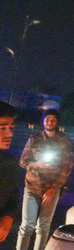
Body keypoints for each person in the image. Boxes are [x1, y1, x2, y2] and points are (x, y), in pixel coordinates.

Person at [17, 109, 73, 250]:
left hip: (51, 190)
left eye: (53, 119)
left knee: (43, 227)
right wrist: (37, 164)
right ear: (43, 121)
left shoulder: (64, 141)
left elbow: (67, 167)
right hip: (32, 187)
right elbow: (23, 162)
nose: (50, 122)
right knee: (27, 226)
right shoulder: (34, 139)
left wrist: (53, 188)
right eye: (47, 119)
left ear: (57, 122)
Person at [0, 102, 18, 249]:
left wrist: (8, 218)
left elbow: (12, 195)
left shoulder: (9, 163)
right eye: (3, 128)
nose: (9, 134)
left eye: (11, 128)